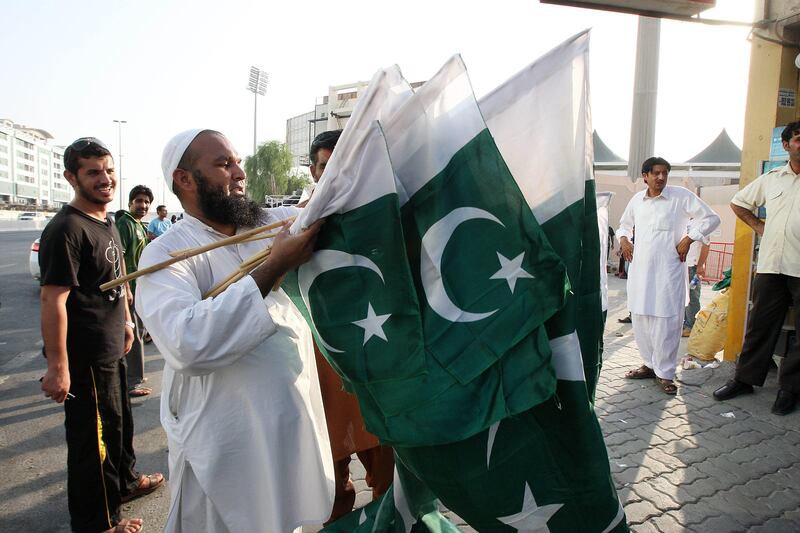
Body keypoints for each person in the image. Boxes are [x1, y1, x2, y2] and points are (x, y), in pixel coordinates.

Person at [135, 129, 333, 532]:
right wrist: (274, 266)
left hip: (285, 425)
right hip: (225, 440)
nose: (240, 172)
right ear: (185, 179)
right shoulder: (166, 253)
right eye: (224, 164)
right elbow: (186, 343)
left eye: (238, 161)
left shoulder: (268, 224)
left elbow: (327, 206)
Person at [39, 137, 163, 533]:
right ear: (71, 177)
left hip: (113, 347)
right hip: (85, 356)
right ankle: (98, 524)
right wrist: (59, 367)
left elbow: (118, 280)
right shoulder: (66, 229)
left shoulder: (107, 221)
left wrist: (127, 322)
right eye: (93, 172)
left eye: (108, 170)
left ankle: (125, 484)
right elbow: (53, 300)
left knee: (119, 426)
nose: (105, 179)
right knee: (93, 446)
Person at [308, 129, 394, 523]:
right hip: (327, 361)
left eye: (345, 163)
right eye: (327, 166)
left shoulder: (383, 213)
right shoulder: (297, 223)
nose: (336, 174)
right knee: (331, 476)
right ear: (313, 171)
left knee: (389, 471)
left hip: (380, 357)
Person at [713, 121, 800, 415]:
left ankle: (790, 389)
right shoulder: (772, 178)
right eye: (799, 139)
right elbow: (739, 203)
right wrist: (759, 226)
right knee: (759, 326)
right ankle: (744, 379)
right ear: (786, 145)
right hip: (771, 267)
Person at [617, 156, 720, 394]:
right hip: (641, 271)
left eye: (665, 173)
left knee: (667, 321)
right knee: (641, 318)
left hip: (669, 271)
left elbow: (712, 218)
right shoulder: (637, 200)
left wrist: (689, 237)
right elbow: (624, 224)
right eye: (656, 173)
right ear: (645, 176)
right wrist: (624, 239)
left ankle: (665, 373)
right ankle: (649, 365)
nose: (661, 177)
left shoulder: (681, 196)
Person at [115, 185, 154, 397]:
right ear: (130, 203)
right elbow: (118, 257)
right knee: (133, 333)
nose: (143, 205)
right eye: (139, 201)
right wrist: (125, 285)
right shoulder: (125, 224)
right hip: (129, 287)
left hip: (138, 286)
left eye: (147, 202)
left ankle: (134, 374)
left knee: (138, 332)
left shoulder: (138, 224)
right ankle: (132, 381)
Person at [682, 235, 710, 337]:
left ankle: (691, 326)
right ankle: (684, 324)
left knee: (692, 297)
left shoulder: (702, 222)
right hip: (682, 264)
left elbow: (706, 245)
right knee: (683, 297)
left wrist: (700, 265)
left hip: (693, 266)